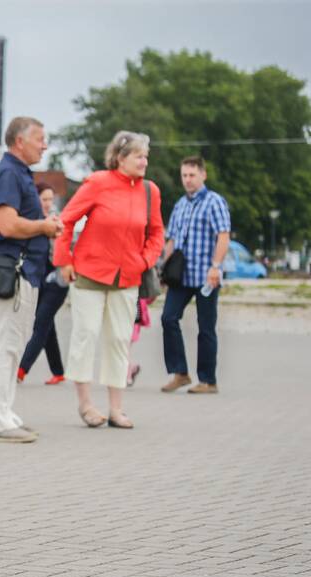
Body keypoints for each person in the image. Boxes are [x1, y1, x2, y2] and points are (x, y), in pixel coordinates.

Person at [54, 131, 164, 428]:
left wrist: (145, 260)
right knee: (86, 335)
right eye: (138, 156)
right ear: (120, 158)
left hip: (128, 276)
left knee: (118, 339)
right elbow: (66, 220)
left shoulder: (150, 191)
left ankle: (116, 408)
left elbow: (156, 233)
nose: (144, 161)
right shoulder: (98, 183)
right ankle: (86, 404)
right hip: (89, 272)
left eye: (146, 156)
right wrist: (64, 259)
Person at [0, 117, 63, 443]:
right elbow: (8, 225)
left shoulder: (18, 173)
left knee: (13, 346)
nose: (44, 145)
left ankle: (4, 412)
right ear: (19, 141)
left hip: (23, 271)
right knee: (4, 347)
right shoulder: (8, 173)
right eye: (40, 138)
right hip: (12, 271)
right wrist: (43, 227)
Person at [160, 156, 231, 394]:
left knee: (206, 327)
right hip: (180, 276)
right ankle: (180, 372)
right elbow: (171, 239)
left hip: (205, 277)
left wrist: (216, 267)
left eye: (192, 175)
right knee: (168, 318)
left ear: (203, 175)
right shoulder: (180, 204)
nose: (187, 180)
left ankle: (208, 380)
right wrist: (164, 270)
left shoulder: (214, 202)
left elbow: (223, 235)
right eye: (184, 176)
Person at [18, 181, 67, 385]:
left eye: (50, 199)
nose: (47, 203)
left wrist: (55, 235)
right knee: (48, 326)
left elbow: (63, 250)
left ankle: (20, 370)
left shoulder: (56, 222)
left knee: (40, 324)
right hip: (40, 280)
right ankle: (58, 372)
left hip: (58, 282)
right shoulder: (34, 222)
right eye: (44, 199)